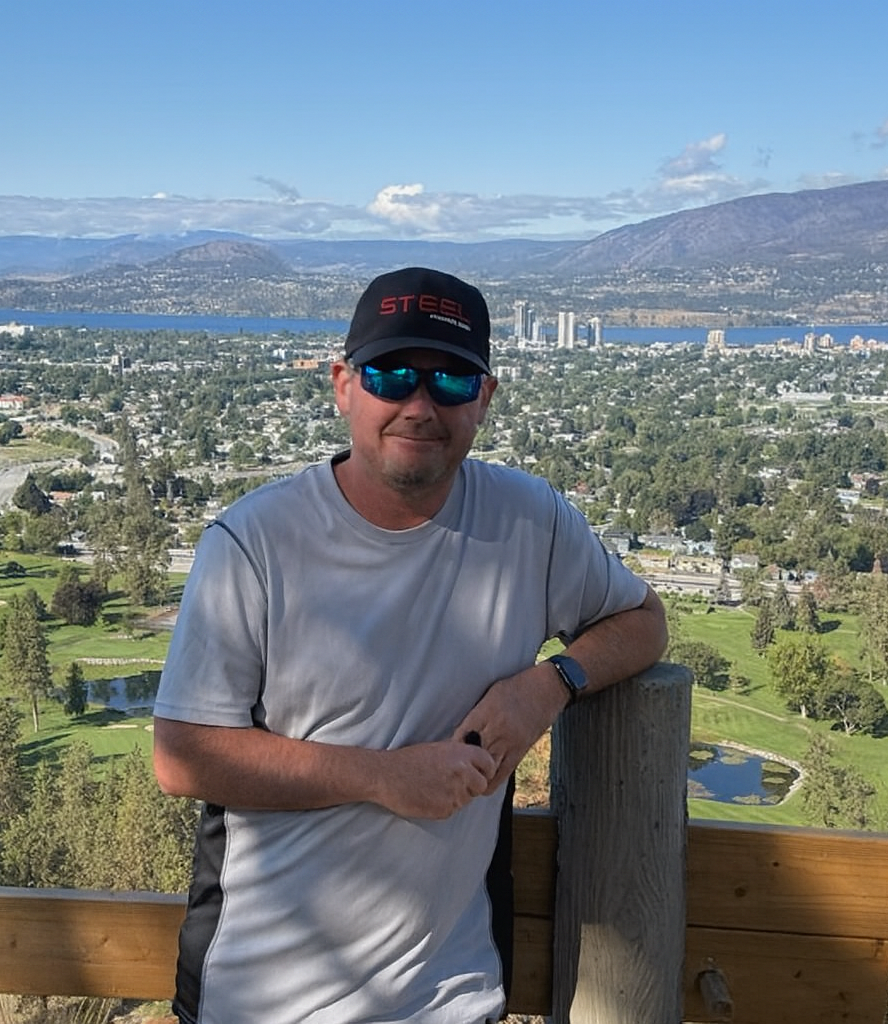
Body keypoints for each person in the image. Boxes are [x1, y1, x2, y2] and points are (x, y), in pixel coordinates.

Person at [152, 266, 667, 1024]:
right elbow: (181, 756)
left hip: (449, 998)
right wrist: (382, 777)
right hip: (260, 999)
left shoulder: (529, 522)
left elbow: (643, 622)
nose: (419, 405)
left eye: (452, 380)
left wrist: (547, 684)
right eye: (392, 375)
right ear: (343, 386)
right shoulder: (254, 543)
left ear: (485, 399)